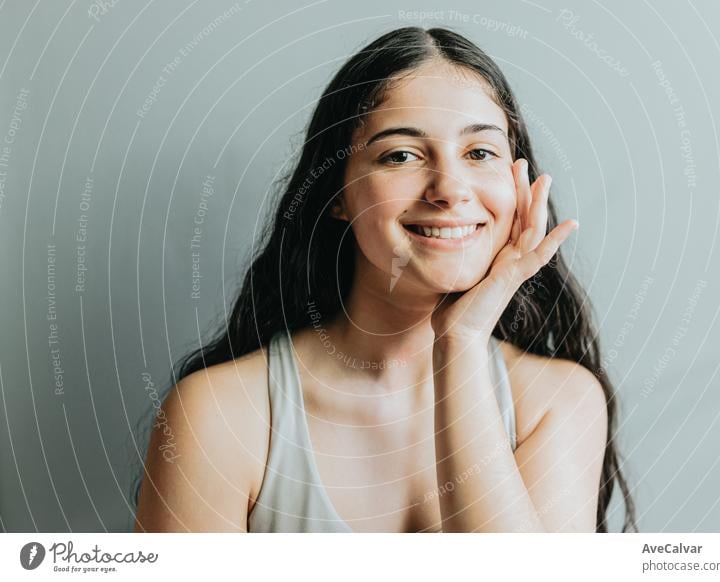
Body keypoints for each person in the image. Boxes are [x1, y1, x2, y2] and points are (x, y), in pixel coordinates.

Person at [133, 26, 637, 533]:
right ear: (336, 194)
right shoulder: (217, 417)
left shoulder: (558, 402)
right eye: (401, 155)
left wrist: (459, 344)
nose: (449, 189)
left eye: (479, 153)